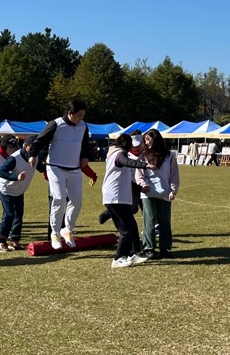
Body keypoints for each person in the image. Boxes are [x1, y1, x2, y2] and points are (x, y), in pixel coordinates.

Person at [29, 99, 90, 250]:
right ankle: (55, 232)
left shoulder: (83, 126)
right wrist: (33, 155)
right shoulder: (55, 124)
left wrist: (85, 156)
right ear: (70, 113)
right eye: (79, 116)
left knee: (77, 200)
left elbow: (85, 144)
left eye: (83, 116)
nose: (81, 119)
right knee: (59, 198)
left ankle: (67, 229)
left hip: (74, 168)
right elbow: (40, 140)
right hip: (55, 167)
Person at [102, 134, 156, 268]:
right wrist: (145, 165)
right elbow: (128, 162)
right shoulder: (119, 154)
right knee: (125, 230)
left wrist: (139, 188)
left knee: (132, 226)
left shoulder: (116, 154)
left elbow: (125, 180)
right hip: (114, 198)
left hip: (119, 197)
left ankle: (134, 254)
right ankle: (118, 258)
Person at [136, 129, 180, 260]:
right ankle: (148, 248)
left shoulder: (169, 156)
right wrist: (143, 185)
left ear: (156, 139)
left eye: (149, 139)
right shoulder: (143, 155)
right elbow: (139, 174)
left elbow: (174, 175)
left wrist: (173, 191)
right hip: (148, 193)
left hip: (165, 193)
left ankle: (165, 248)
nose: (147, 142)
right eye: (145, 140)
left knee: (165, 221)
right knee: (149, 220)